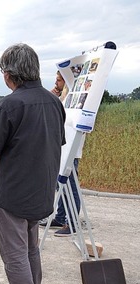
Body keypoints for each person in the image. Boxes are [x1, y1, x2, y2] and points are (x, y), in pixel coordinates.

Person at [0, 43, 65, 284]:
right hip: (40, 190)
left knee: (14, 253)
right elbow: (55, 146)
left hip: (12, 192)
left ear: (9, 74)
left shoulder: (9, 104)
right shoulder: (54, 103)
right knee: (31, 249)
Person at [42, 72, 82, 237]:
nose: (55, 83)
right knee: (61, 185)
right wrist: (54, 97)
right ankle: (60, 217)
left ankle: (72, 223)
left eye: (59, 80)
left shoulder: (74, 100)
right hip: (62, 146)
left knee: (71, 186)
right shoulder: (64, 99)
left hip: (70, 148)